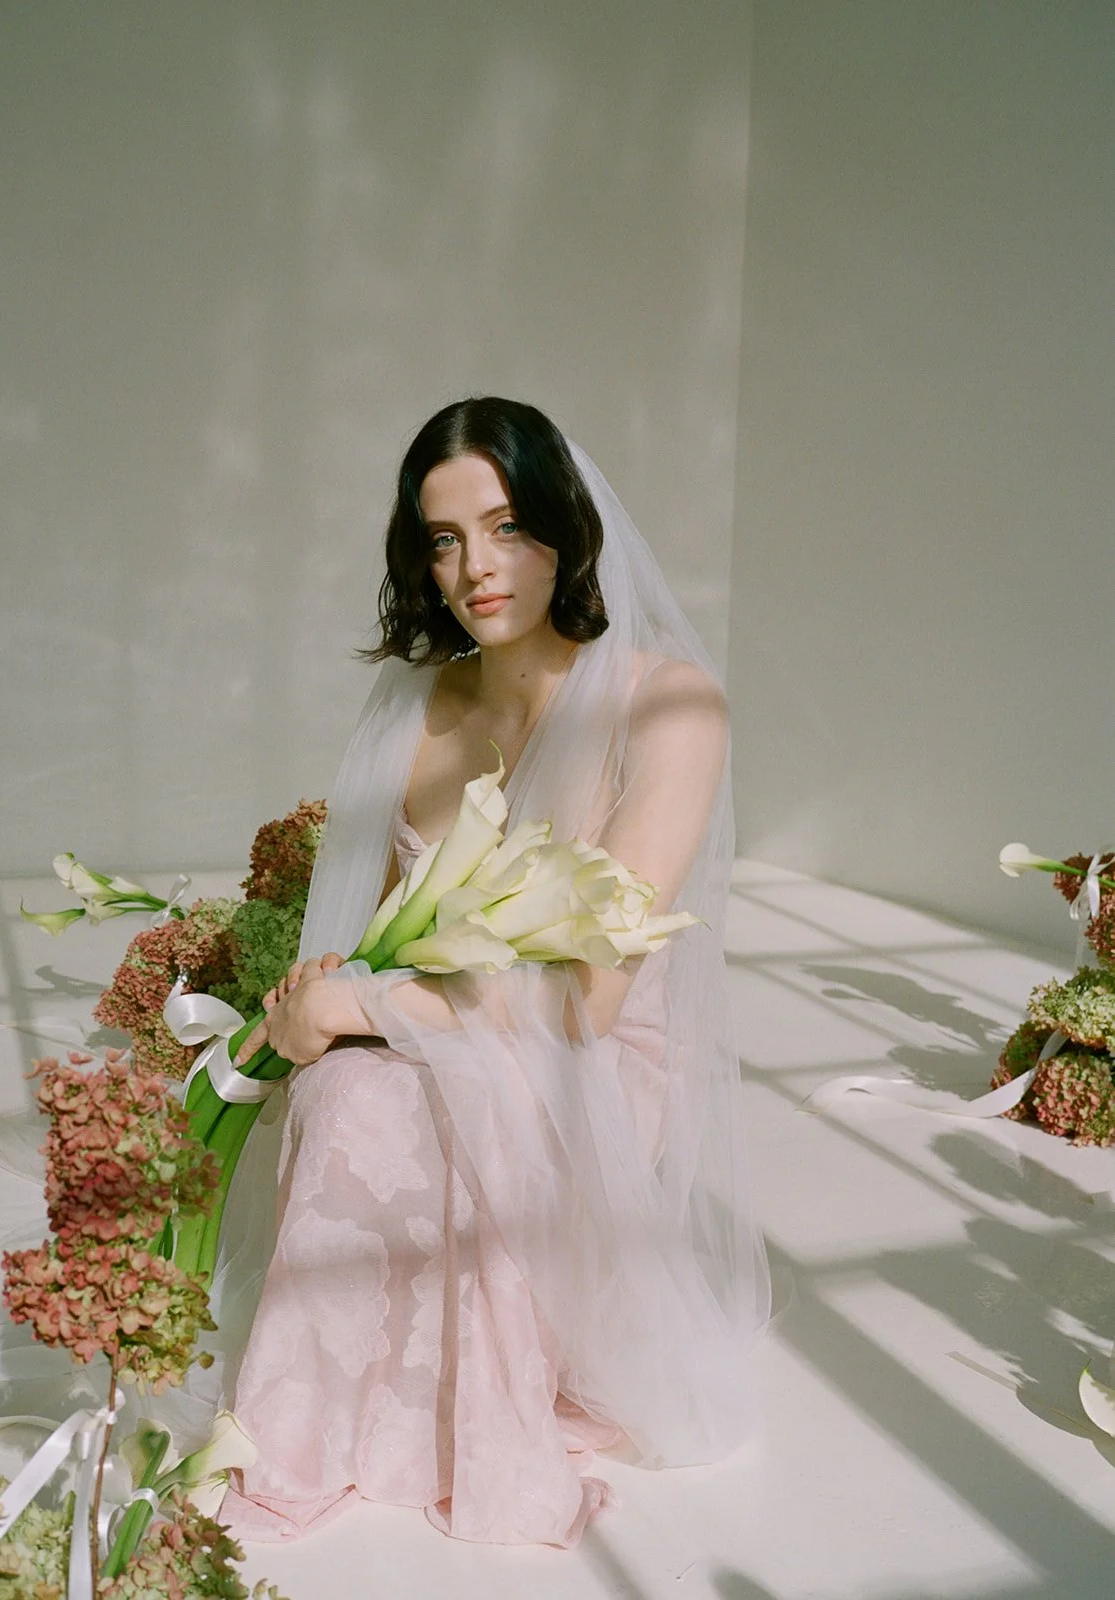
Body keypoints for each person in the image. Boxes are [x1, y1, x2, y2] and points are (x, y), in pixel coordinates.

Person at [216, 397, 771, 1548]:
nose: (476, 566)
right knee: (348, 1094)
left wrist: (351, 1008)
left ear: (564, 526)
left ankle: (440, 1423)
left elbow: (585, 1000)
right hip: (434, 1024)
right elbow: (370, 933)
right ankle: (313, 1430)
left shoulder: (669, 705)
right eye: (442, 537)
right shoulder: (417, 707)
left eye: (505, 523)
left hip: (593, 1057)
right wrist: (329, 1010)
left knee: (380, 1100)